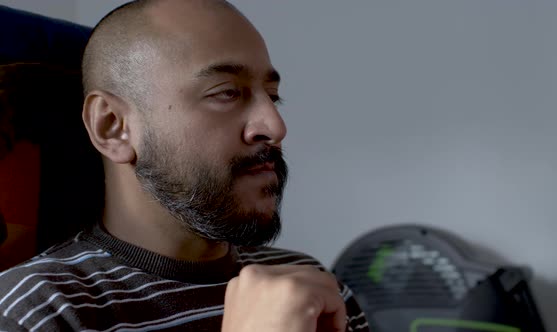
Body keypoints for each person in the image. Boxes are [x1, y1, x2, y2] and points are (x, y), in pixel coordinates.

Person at [0, 0, 370, 331]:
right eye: (226, 92)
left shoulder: (307, 283)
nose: (275, 127)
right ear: (113, 126)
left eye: (273, 97)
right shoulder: (37, 313)